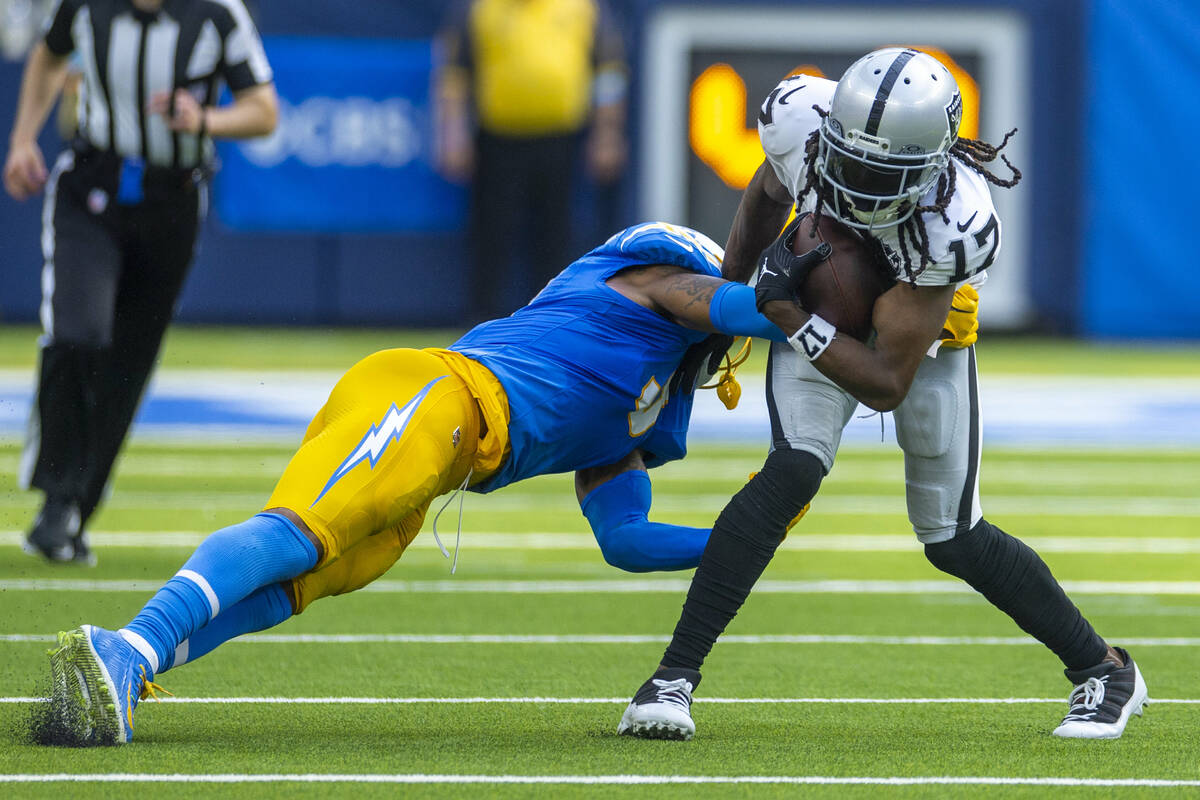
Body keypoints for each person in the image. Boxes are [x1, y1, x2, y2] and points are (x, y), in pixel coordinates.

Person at [40, 221, 829, 746]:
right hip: (436, 396)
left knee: (299, 581)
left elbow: (624, 540)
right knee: (299, 529)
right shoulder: (656, 285)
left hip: (445, 465)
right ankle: (128, 643)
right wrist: (829, 307)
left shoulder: (644, 411)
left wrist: (742, 535)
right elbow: (740, 306)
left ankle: (139, 670)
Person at [618, 48, 1148, 742]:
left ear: (932, 163)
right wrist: (726, 299)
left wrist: (787, 317)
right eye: (851, 161)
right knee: (794, 468)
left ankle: (1104, 670)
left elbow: (889, 382)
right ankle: (671, 679)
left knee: (953, 537)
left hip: (916, 334)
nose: (861, 186)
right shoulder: (798, 121)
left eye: (883, 173)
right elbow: (764, 195)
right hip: (819, 300)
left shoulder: (954, 222)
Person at [3, 0, 278, 565]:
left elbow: (264, 111)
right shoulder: (83, 4)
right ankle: (56, 499)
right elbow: (49, 57)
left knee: (129, 361)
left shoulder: (217, 14)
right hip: (91, 187)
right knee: (78, 333)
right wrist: (23, 138)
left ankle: (79, 506)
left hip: (171, 199)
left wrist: (204, 121)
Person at [435, 0, 629, 322]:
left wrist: (607, 133)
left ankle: (551, 323)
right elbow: (454, 74)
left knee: (555, 238)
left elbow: (608, 73)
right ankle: (480, 327)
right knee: (491, 238)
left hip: (561, 141)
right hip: (498, 141)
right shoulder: (480, 9)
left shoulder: (582, 8)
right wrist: (452, 134)